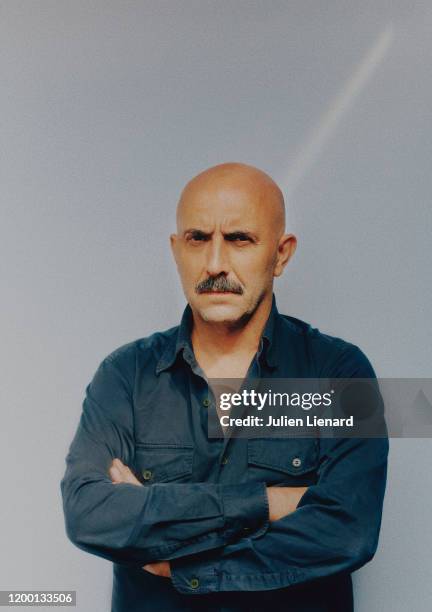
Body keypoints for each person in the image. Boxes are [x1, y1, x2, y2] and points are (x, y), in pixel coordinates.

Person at [60, 162, 388, 611]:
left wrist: (182, 563)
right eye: (198, 239)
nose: (215, 264)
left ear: (281, 253)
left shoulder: (339, 372)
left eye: (239, 239)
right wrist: (268, 502)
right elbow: (90, 515)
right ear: (177, 250)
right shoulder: (125, 375)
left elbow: (349, 529)